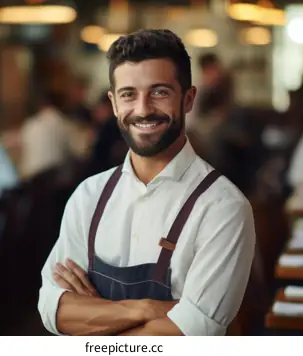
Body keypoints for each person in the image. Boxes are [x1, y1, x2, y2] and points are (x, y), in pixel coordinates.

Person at [37, 29, 255, 336]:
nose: (142, 109)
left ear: (188, 99)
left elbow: (191, 332)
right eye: (129, 94)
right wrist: (146, 309)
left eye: (160, 92)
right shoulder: (89, 196)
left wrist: (94, 317)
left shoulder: (223, 207)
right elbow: (51, 308)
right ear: (113, 104)